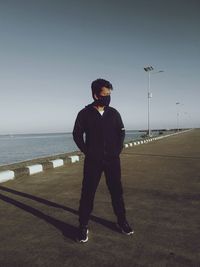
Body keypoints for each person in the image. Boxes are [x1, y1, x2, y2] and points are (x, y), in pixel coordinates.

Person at [73, 78, 133, 243]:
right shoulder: (84, 114)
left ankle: (122, 222)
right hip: (93, 161)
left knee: (116, 192)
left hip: (112, 160)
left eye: (109, 94)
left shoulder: (113, 113)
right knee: (87, 193)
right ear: (95, 95)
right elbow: (77, 134)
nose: (108, 97)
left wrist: (117, 150)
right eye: (105, 94)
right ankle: (83, 226)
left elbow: (121, 132)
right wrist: (88, 151)